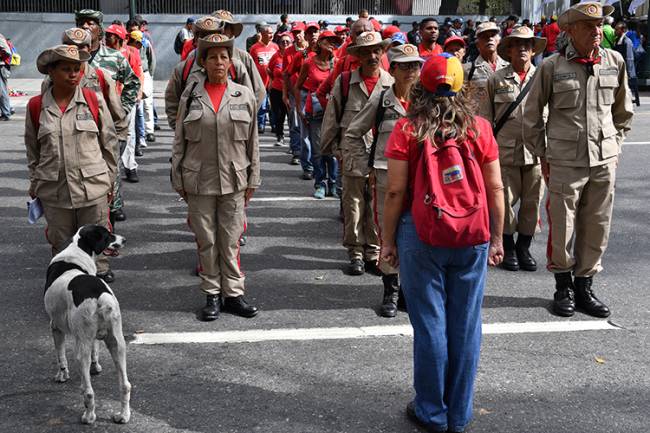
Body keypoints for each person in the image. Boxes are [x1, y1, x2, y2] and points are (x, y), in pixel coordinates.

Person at [381, 53, 504, 433]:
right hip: (472, 236)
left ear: (421, 87)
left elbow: (395, 191)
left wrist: (387, 242)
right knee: (466, 325)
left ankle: (431, 412)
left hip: (421, 233)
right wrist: (498, 236)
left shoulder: (407, 128)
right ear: (462, 87)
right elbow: (496, 187)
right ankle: (459, 414)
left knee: (430, 325)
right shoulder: (480, 128)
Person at [523, 2, 634, 318]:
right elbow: (531, 116)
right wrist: (543, 155)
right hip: (564, 161)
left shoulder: (614, 61)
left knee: (597, 224)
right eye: (588, 26)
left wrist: (616, 148)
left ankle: (585, 285)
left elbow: (623, 113)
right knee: (563, 226)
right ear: (570, 31)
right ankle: (563, 287)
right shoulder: (552, 67)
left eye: (599, 25)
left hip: (603, 161)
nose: (597, 31)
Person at [171, 34, 261, 321]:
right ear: (203, 62)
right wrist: (178, 177)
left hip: (235, 179)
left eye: (224, 56)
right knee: (206, 240)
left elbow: (252, 142)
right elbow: (179, 140)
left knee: (231, 240)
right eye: (212, 57)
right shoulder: (191, 95)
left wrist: (253, 178)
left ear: (231, 61)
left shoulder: (243, 95)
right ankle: (212, 295)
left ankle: (233, 294)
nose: (219, 62)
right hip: (198, 180)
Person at [25, 45, 118, 280]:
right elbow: (33, 151)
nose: (73, 74)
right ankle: (64, 286)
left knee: (98, 240)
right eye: (66, 69)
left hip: (93, 187)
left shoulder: (93, 100)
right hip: (54, 190)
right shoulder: (36, 106)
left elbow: (109, 144)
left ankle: (97, 282)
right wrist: (35, 182)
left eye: (77, 69)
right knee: (61, 243)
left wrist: (109, 181)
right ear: (51, 72)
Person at [343, 44, 423, 316]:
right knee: (386, 233)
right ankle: (390, 290)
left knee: (417, 233)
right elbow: (354, 133)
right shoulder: (381, 98)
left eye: (415, 65)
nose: (412, 70)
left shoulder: (427, 101)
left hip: (421, 180)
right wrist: (367, 163)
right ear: (395, 69)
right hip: (386, 177)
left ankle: (408, 291)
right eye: (405, 65)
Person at [320, 31, 393, 276]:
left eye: (376, 51)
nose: (372, 56)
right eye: (365, 52)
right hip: (351, 152)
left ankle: (373, 252)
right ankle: (356, 253)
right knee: (353, 204)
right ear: (358, 56)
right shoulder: (344, 81)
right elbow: (332, 117)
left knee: (377, 205)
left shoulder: (391, 83)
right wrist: (332, 149)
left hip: (382, 154)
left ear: (382, 53)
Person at [486, 25, 547, 272]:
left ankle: (524, 247)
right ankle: (509, 247)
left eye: (528, 45)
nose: (523, 48)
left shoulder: (542, 77)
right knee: (505, 201)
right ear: (508, 50)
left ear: (533, 50)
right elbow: (484, 119)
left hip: (535, 151)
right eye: (517, 44)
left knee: (533, 202)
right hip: (505, 152)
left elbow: (551, 114)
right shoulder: (495, 79)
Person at [76, 9, 140, 230]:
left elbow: (133, 83)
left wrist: (121, 110)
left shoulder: (114, 57)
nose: (86, 27)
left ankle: (112, 211)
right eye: (82, 23)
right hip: (79, 127)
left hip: (108, 127)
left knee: (109, 170)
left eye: (91, 23)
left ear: (100, 28)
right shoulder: (67, 59)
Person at [294, 30, 341, 199]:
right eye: (329, 40)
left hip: (334, 111)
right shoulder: (308, 62)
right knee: (318, 149)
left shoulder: (338, 63)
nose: (332, 44)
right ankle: (320, 183)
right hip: (315, 110)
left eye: (335, 41)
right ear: (320, 43)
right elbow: (298, 86)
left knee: (333, 149)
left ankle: (333, 183)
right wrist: (299, 108)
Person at [463, 21, 508, 118]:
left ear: (499, 40)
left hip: (505, 127)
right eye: (484, 36)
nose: (490, 38)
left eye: (493, 35)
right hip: (480, 125)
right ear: (477, 44)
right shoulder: (467, 70)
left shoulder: (509, 68)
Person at [282, 22, 309, 165]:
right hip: (294, 93)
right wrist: (285, 94)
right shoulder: (289, 51)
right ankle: (297, 151)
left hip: (310, 92)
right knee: (295, 123)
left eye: (300, 32)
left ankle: (309, 154)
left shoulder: (311, 51)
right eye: (295, 32)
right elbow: (285, 74)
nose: (297, 35)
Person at [249, 24, 279, 133]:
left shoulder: (275, 47)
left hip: (273, 81)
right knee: (261, 105)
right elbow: (251, 64)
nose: (271, 35)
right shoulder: (254, 48)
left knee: (273, 105)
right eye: (268, 33)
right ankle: (260, 125)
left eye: (272, 33)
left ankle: (274, 124)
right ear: (262, 34)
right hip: (260, 82)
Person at [267, 32, 292, 146]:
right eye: (283, 42)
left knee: (291, 115)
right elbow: (269, 69)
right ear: (279, 44)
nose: (285, 43)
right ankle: (280, 136)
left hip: (291, 91)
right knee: (279, 115)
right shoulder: (275, 56)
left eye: (287, 41)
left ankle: (294, 140)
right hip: (277, 90)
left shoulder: (294, 54)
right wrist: (273, 80)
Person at [614, 22, 640, 106]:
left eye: (617, 29)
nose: (615, 31)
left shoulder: (627, 41)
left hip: (626, 69)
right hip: (619, 68)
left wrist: (628, 72)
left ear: (623, 30)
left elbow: (629, 58)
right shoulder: (618, 40)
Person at [0, 32, 14, 120]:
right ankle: (7, 110)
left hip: (1, 67)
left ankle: (6, 113)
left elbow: (7, 52)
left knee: (2, 91)